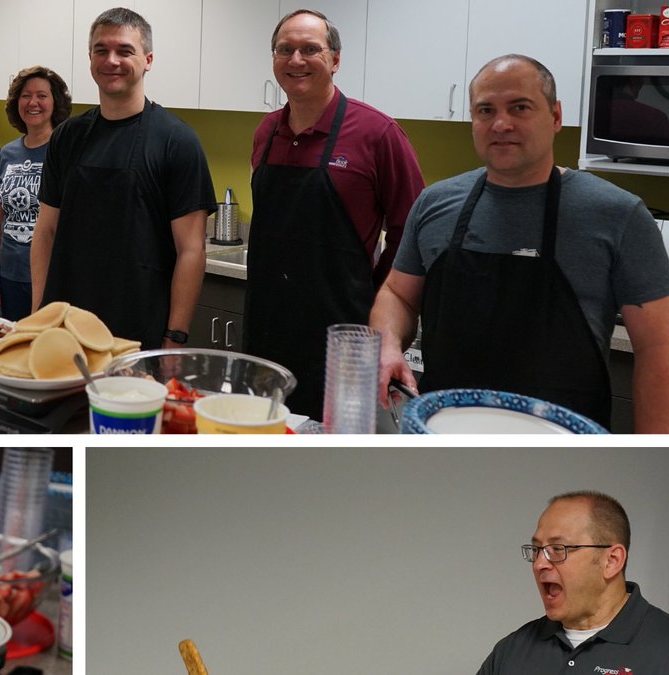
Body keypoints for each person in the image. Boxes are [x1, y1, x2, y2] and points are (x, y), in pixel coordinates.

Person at [370, 54, 669, 432]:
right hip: (441, 434)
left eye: (520, 107)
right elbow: (398, 294)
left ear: (556, 116)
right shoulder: (435, 203)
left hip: (564, 446)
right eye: (485, 110)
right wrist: (386, 344)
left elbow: (658, 349)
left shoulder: (618, 215)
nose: (501, 123)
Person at [243, 9, 424, 421]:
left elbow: (412, 236)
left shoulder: (378, 134)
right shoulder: (266, 131)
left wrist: (382, 302)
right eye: (285, 50)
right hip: (266, 327)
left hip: (343, 336)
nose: (296, 60)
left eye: (310, 49)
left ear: (336, 60)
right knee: (263, 433)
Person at [30, 7, 216, 349]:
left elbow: (191, 250)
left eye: (124, 50)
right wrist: (38, 315)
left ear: (148, 59)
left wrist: (174, 337)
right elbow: (46, 231)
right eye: (101, 50)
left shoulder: (177, 141)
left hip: (138, 331)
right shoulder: (67, 137)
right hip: (65, 326)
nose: (111, 60)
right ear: (90, 58)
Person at [477, 491, 669, 672]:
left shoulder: (662, 646)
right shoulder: (510, 651)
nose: (539, 564)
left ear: (611, 561)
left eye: (558, 549)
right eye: (536, 550)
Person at [0, 66, 72, 321]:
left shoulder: (65, 153)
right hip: (9, 278)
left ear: (55, 102)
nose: (33, 103)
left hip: (51, 279)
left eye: (42, 96)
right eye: (25, 95)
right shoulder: (8, 154)